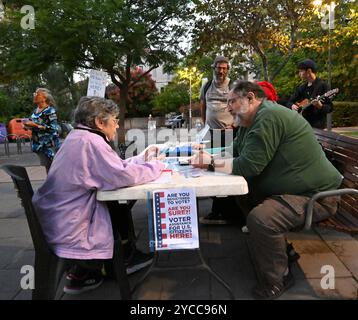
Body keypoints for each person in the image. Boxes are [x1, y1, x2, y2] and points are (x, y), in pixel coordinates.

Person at [191, 81, 342, 299]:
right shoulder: (253, 119)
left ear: (250, 98)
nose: (228, 107)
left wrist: (211, 162)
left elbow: (249, 165)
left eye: (232, 101)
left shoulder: (268, 117)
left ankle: (277, 279)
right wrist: (207, 152)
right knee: (243, 196)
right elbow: (235, 150)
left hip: (316, 196)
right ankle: (282, 251)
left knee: (262, 220)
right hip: (297, 191)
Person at [32, 96, 166, 295]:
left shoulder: (78, 136)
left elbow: (111, 169)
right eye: (114, 120)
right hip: (71, 226)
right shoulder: (91, 141)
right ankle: (114, 261)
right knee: (117, 205)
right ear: (99, 122)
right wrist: (157, 165)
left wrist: (140, 159)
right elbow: (121, 176)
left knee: (117, 204)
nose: (117, 125)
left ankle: (111, 261)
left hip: (58, 217)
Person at [199, 56, 238, 225]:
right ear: (213, 67)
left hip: (228, 134)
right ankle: (219, 209)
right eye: (218, 67)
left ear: (228, 69)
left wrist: (235, 125)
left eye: (224, 68)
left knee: (226, 170)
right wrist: (203, 123)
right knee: (213, 169)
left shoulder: (233, 85)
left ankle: (224, 211)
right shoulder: (207, 85)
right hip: (211, 134)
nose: (221, 71)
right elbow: (203, 105)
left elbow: (240, 107)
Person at [24, 88, 61, 173]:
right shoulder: (35, 110)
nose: (34, 95)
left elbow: (53, 129)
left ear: (44, 98)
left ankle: (53, 185)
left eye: (37, 94)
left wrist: (36, 125)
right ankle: (50, 184)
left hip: (49, 145)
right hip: (39, 145)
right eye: (34, 93)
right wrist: (27, 126)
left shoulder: (50, 111)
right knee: (47, 167)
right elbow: (33, 124)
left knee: (52, 168)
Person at [287, 59, 332, 129]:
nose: (299, 73)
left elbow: (330, 108)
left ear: (309, 71)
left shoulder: (323, 86)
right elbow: (290, 102)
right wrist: (292, 106)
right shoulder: (302, 88)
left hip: (317, 127)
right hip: (302, 125)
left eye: (301, 71)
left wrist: (320, 106)